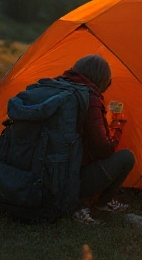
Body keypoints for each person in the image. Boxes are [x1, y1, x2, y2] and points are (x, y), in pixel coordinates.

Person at [58, 54, 136, 225]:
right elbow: (104, 150)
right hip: (69, 180)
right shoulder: (90, 99)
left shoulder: (58, 87)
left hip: (43, 176)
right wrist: (117, 125)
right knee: (126, 157)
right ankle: (97, 203)